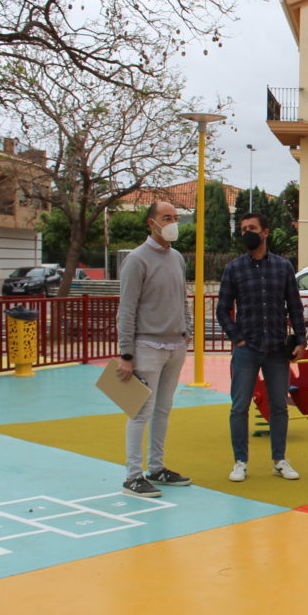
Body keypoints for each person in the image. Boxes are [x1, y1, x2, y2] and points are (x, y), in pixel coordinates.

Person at [217, 212, 307, 482]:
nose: (247, 232)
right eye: (243, 228)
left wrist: (300, 339)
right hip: (247, 348)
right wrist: (237, 337)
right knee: (239, 406)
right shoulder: (234, 268)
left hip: (277, 348)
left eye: (252, 228)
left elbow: (294, 305)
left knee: (280, 405)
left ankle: (279, 460)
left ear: (265, 232)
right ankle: (240, 462)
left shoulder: (283, 267)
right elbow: (222, 309)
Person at [114, 201, 194, 498]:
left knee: (163, 409)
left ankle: (157, 468)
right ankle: (133, 476)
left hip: (176, 344)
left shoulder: (177, 258)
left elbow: (181, 296)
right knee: (140, 412)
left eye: (175, 217)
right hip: (147, 345)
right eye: (166, 217)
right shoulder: (137, 259)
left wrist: (186, 328)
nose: (173, 222)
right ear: (152, 222)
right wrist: (126, 354)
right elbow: (127, 308)